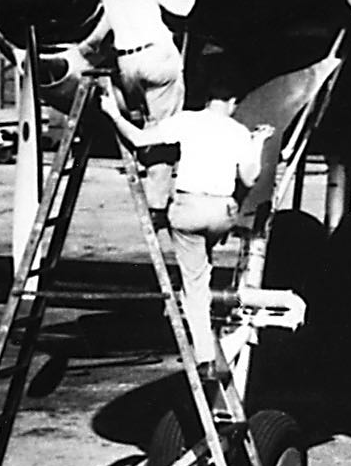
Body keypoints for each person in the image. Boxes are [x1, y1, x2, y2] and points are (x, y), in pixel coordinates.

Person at [105, 94, 270, 366]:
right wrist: (258, 142)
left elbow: (138, 139)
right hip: (222, 214)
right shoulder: (238, 131)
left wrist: (113, 112)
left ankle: (205, 355)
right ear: (231, 100)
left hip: (189, 211)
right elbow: (249, 177)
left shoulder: (186, 121)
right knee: (200, 269)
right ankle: (205, 301)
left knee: (193, 286)